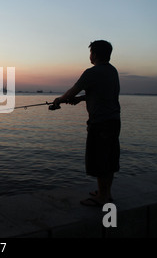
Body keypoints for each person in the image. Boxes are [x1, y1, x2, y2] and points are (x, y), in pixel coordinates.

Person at [52, 40, 121, 206]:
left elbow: (71, 91)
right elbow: (103, 94)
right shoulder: (112, 71)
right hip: (114, 121)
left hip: (100, 123)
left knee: (99, 159)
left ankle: (101, 198)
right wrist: (82, 99)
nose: (90, 56)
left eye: (91, 53)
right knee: (109, 159)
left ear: (95, 54)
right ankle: (106, 193)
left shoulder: (92, 72)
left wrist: (58, 101)